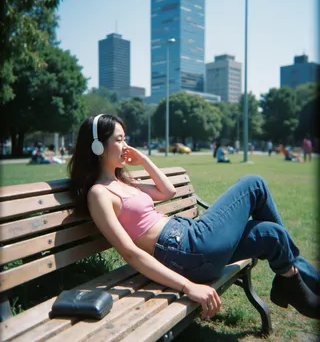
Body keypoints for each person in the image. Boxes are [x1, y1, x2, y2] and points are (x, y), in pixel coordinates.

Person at [68, 114, 319, 321]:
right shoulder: (100, 194)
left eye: (126, 139)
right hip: (185, 250)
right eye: (119, 140)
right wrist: (189, 287)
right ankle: (295, 283)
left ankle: (292, 280)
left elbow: (167, 191)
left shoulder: (123, 182)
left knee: (271, 234)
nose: (126, 147)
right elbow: (130, 253)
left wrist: (143, 160)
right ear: (98, 146)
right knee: (254, 184)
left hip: (190, 244)